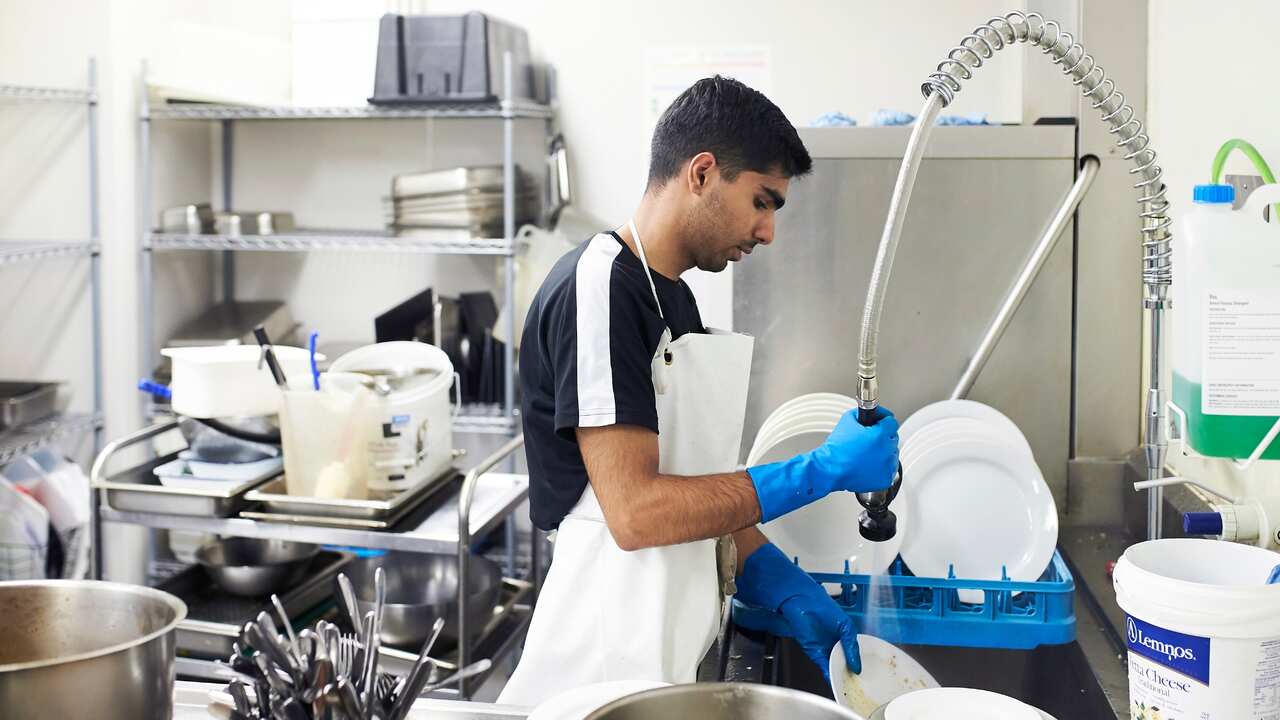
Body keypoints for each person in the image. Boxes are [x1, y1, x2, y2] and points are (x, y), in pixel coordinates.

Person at [497, 76, 899, 706]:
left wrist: (776, 577)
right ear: (703, 172)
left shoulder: (674, 298)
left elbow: (692, 482)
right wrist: (822, 471)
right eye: (763, 202)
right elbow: (634, 512)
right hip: (603, 661)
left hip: (666, 651)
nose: (768, 233)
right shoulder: (600, 287)